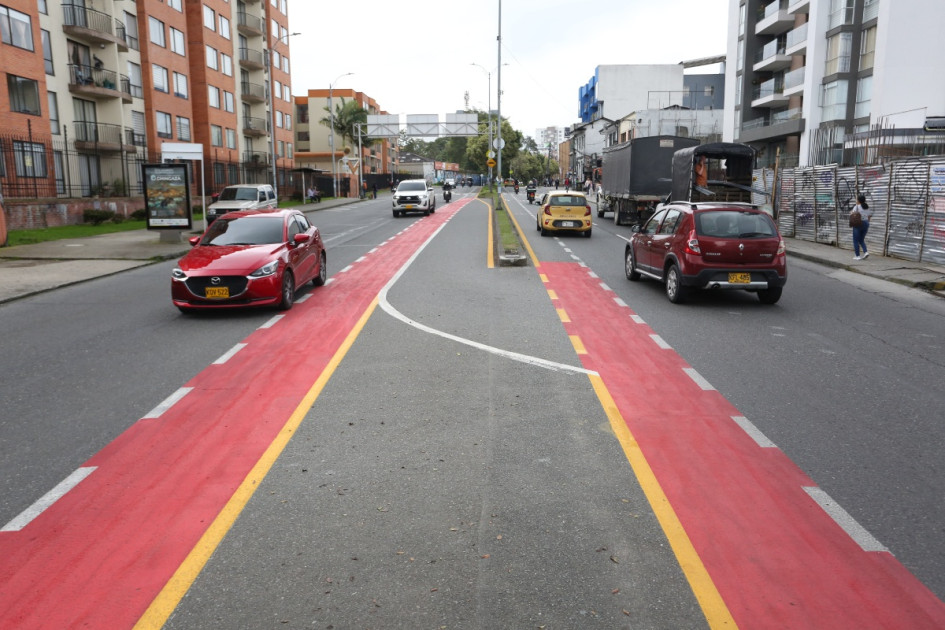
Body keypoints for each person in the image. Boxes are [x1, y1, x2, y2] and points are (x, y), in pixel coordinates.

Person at [850, 193, 872, 260]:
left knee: (855, 240)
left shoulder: (856, 206)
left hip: (858, 224)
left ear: (859, 200)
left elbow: (852, 214)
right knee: (861, 239)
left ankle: (857, 256)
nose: (856, 201)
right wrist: (867, 222)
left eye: (857, 199)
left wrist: (851, 212)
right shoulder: (866, 207)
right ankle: (865, 252)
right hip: (866, 223)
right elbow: (869, 216)